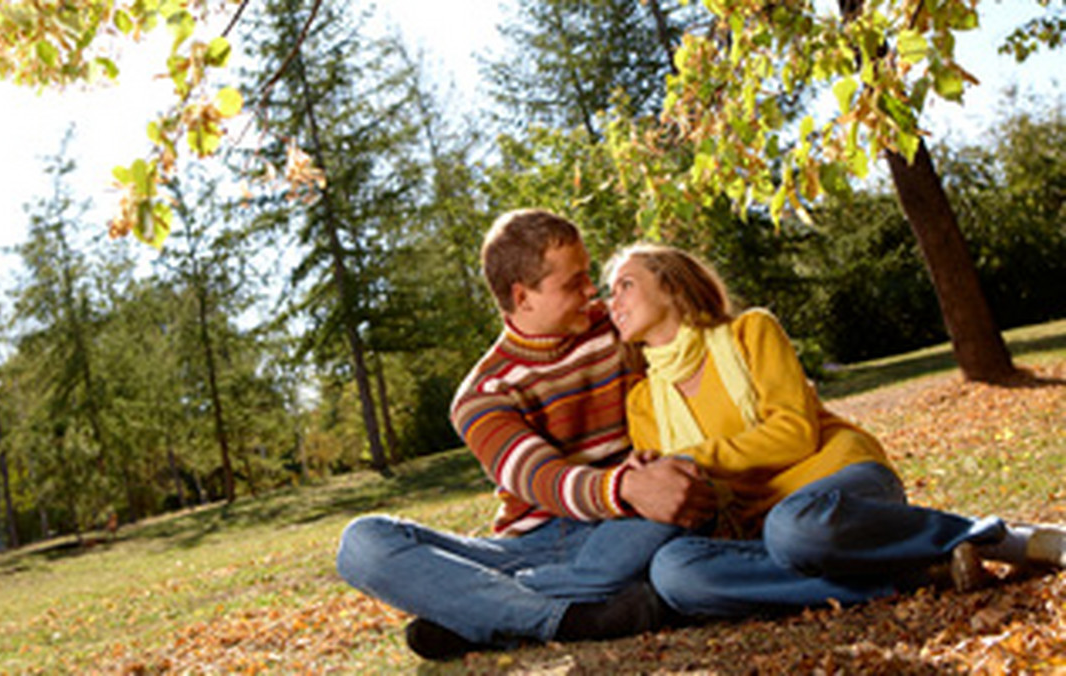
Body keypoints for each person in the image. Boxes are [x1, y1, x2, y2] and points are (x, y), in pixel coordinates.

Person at [601, 242, 1066, 619]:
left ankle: (997, 538)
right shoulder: (642, 401)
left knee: (794, 528)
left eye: (625, 285)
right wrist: (653, 482)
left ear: (672, 286)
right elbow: (681, 494)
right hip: (756, 526)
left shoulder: (750, 331)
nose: (612, 301)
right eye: (609, 291)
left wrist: (691, 459)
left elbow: (794, 432)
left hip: (836, 487)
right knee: (675, 572)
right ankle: (912, 574)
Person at [336, 210, 716, 660]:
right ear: (523, 296)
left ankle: (478, 612)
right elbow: (544, 479)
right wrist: (624, 486)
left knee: (685, 478)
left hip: (628, 526)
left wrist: (641, 484)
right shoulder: (480, 396)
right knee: (363, 544)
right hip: (536, 545)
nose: (592, 290)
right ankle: (569, 619)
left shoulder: (616, 326)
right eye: (573, 283)